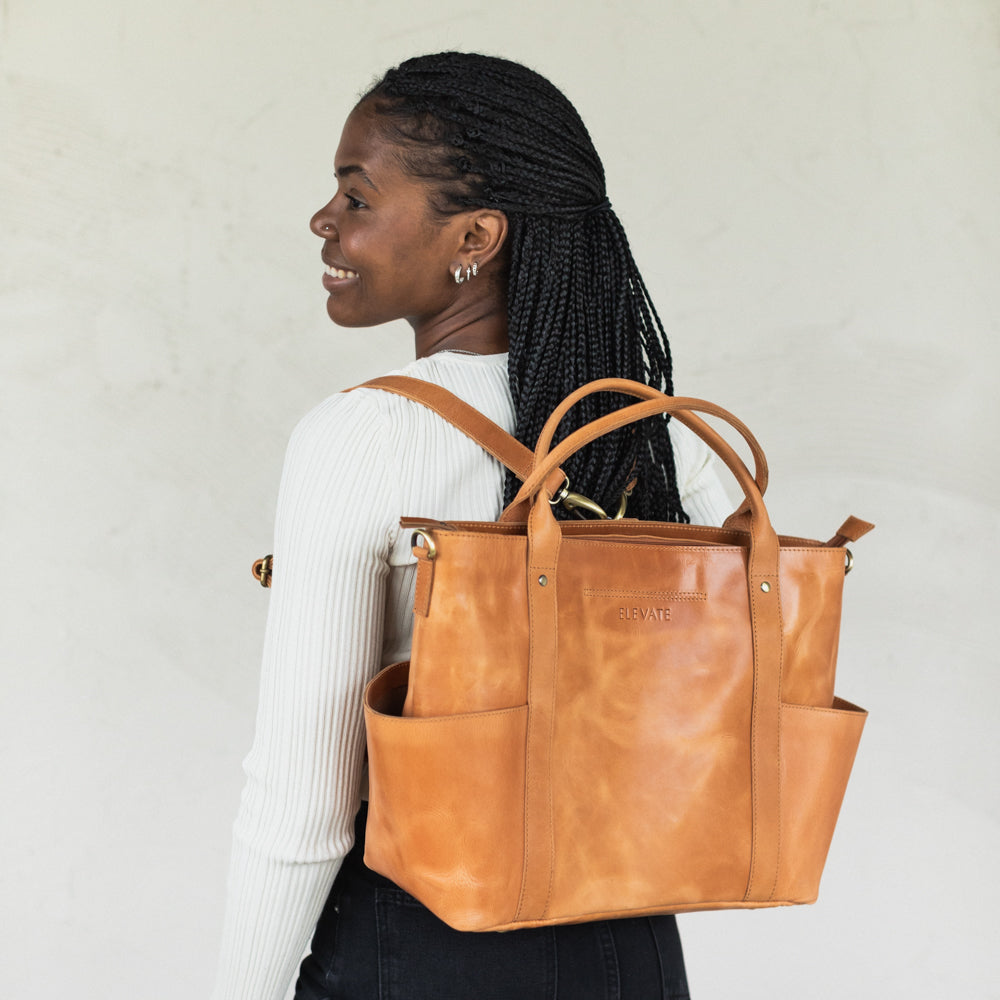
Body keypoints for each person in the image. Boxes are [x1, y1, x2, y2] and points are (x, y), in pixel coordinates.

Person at [212, 52, 732, 1000]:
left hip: (418, 942)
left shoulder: (363, 434)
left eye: (357, 196)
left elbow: (304, 795)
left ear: (477, 236)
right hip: (632, 944)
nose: (325, 220)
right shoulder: (653, 433)